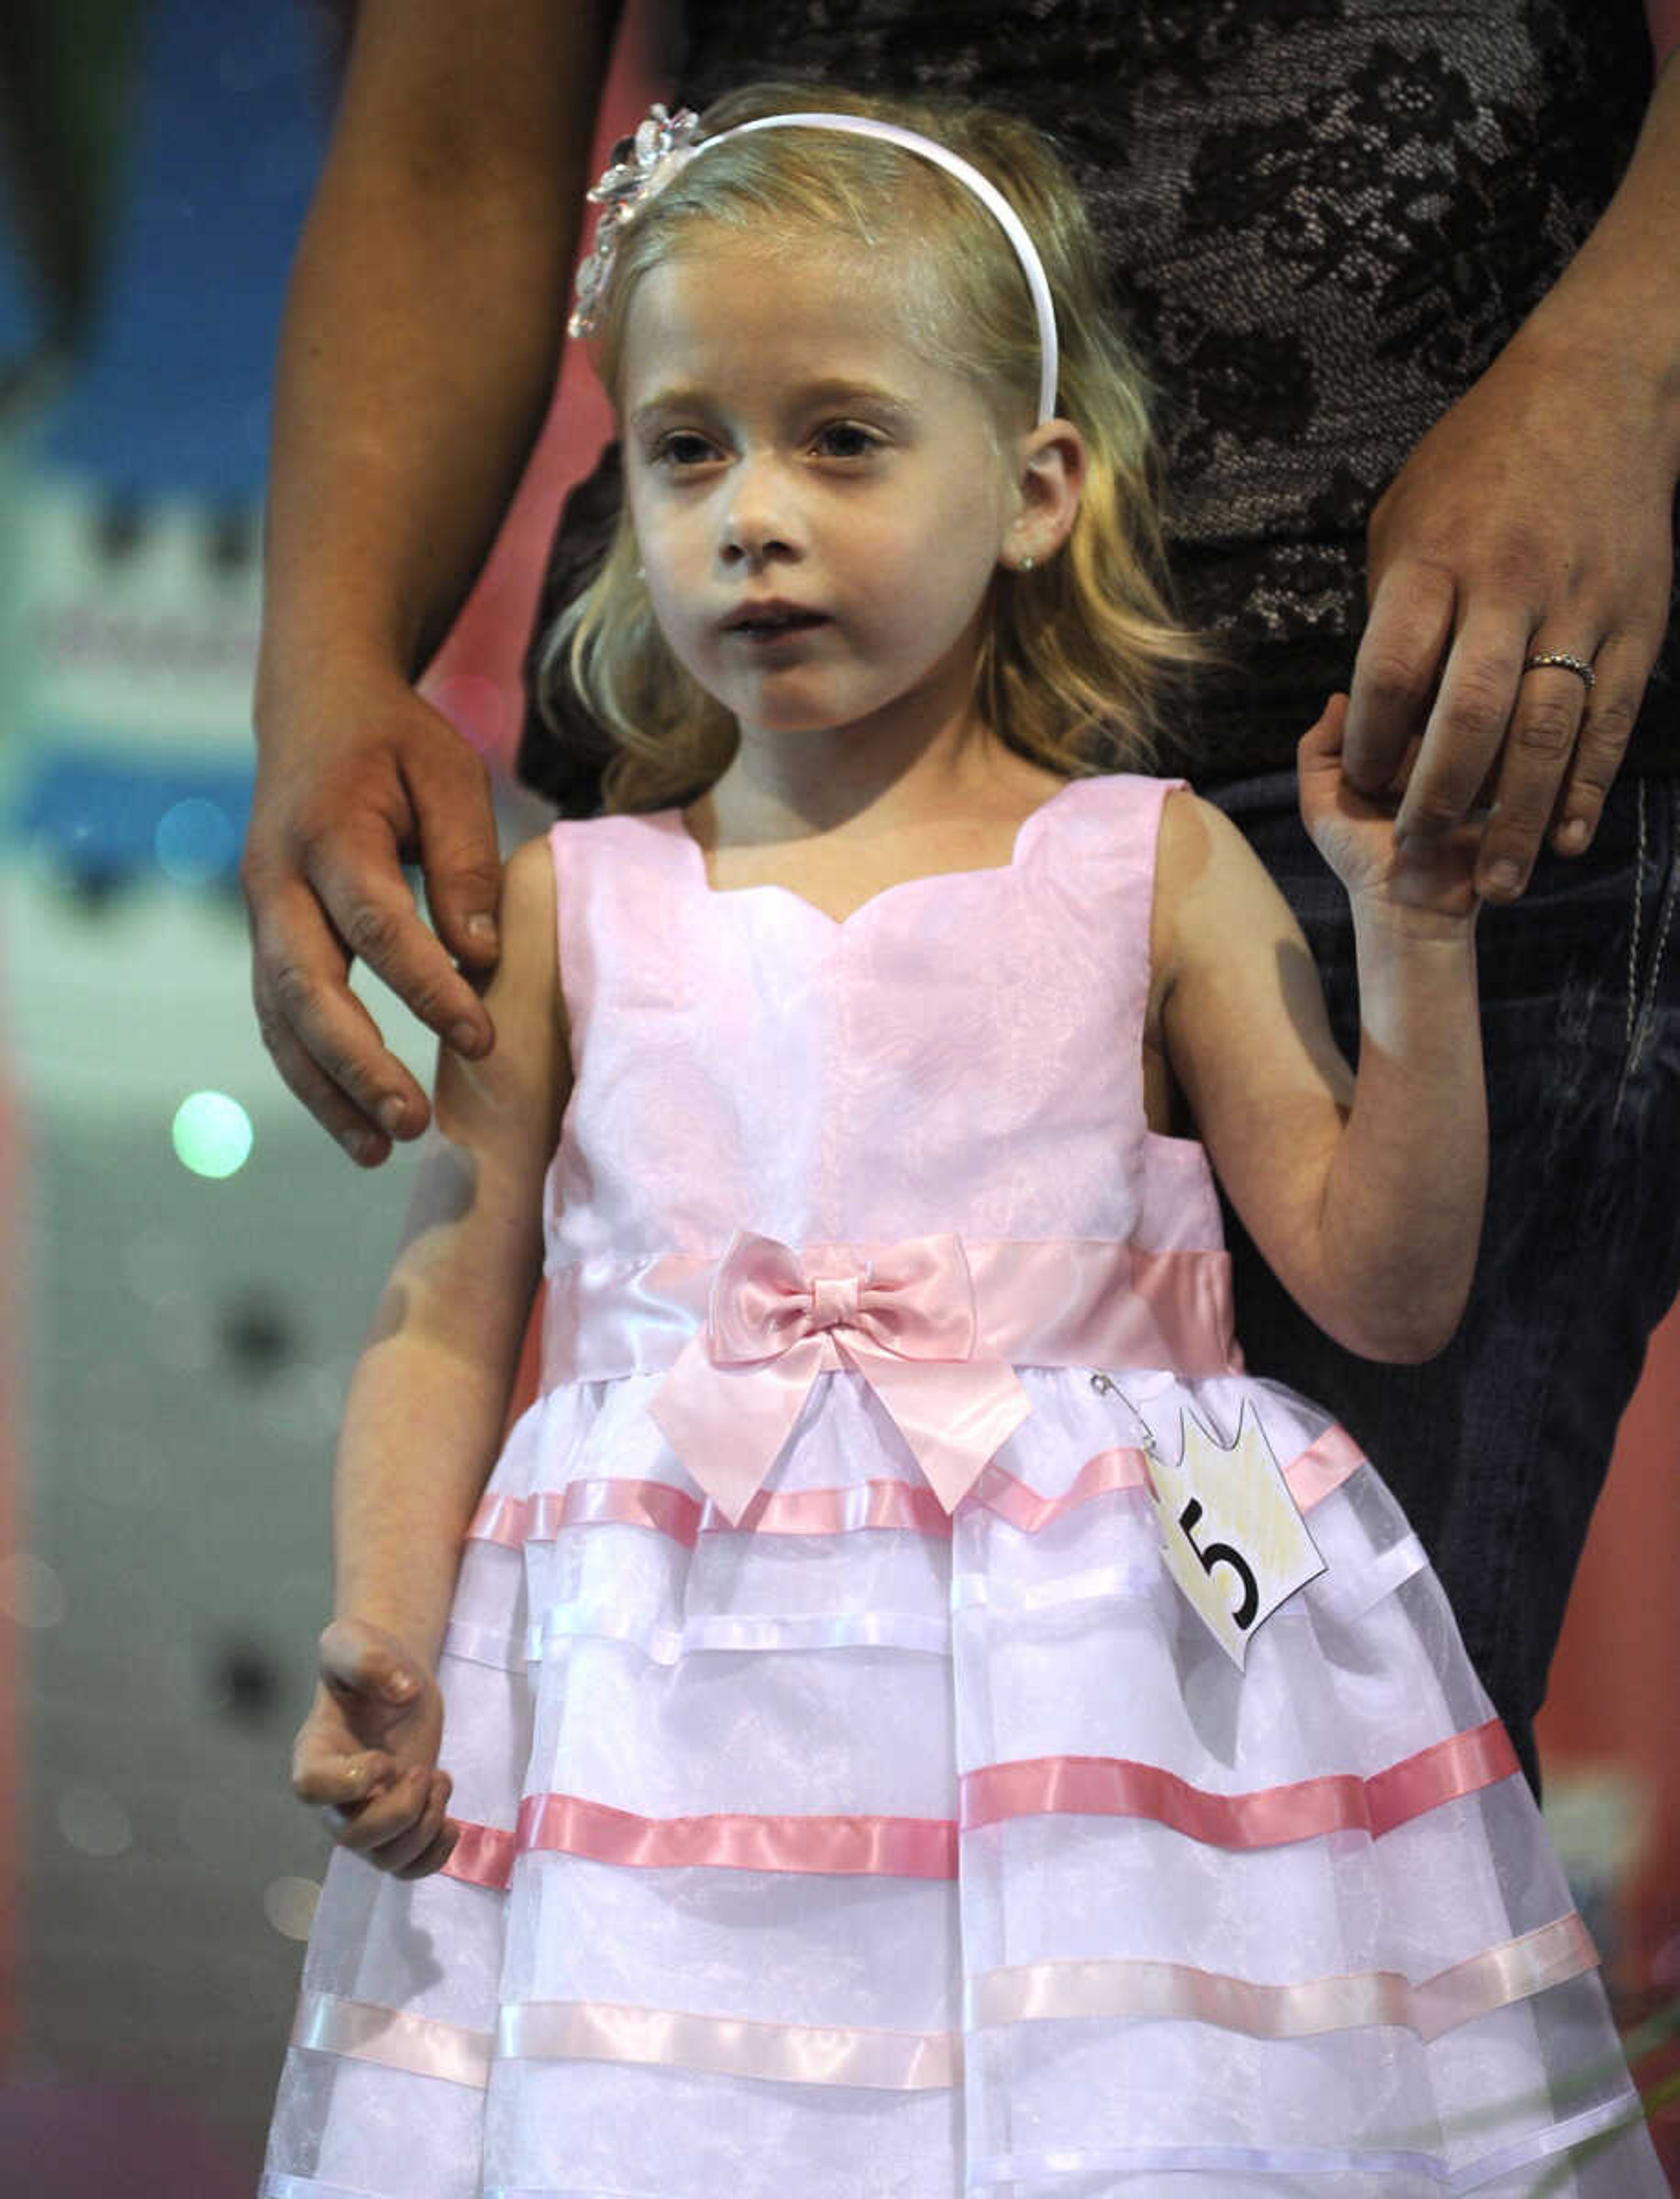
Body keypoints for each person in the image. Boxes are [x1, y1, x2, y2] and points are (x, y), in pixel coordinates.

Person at [263, 89, 1662, 2195]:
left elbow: (1382, 1285)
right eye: (685, 446)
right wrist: (386, 1623)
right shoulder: (579, 908)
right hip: (665, 1744)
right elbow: (454, 1298)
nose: (752, 512)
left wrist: (1417, 935)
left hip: (1098, 1769)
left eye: (840, 437)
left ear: (1032, 492)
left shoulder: (1154, 867)